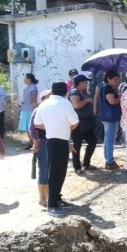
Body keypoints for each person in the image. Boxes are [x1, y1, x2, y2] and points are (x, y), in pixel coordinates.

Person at [34, 82, 79, 216]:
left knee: (57, 172)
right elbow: (75, 122)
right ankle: (52, 205)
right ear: (65, 92)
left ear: (52, 91)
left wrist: (51, 127)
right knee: (57, 173)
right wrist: (64, 127)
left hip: (51, 141)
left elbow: (37, 124)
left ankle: (57, 199)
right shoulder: (65, 103)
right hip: (61, 141)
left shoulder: (44, 104)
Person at [68, 74, 98, 173]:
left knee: (93, 141)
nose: (87, 83)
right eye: (85, 82)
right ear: (80, 82)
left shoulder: (82, 92)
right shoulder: (74, 92)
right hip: (78, 123)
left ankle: (86, 164)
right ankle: (77, 167)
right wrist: (87, 100)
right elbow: (76, 105)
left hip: (86, 123)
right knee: (77, 145)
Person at [29, 90, 52, 206]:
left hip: (52, 143)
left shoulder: (54, 111)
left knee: (51, 172)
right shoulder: (37, 111)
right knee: (43, 171)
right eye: (49, 96)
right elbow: (32, 129)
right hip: (43, 144)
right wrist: (36, 144)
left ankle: (49, 197)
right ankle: (42, 198)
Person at [99, 69, 122, 170]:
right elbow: (112, 101)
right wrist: (121, 97)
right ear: (108, 79)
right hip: (110, 117)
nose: (117, 82)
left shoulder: (106, 88)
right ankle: (110, 161)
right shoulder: (108, 88)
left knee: (108, 139)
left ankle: (108, 160)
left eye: (118, 79)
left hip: (108, 117)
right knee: (110, 140)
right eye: (115, 79)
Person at [18, 73, 39, 146]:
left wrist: (35, 110)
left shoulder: (33, 88)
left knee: (30, 127)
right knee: (27, 127)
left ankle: (34, 143)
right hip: (25, 109)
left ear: (29, 79)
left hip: (30, 110)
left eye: (25, 78)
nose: (24, 79)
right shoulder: (28, 87)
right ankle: (31, 143)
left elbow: (34, 100)